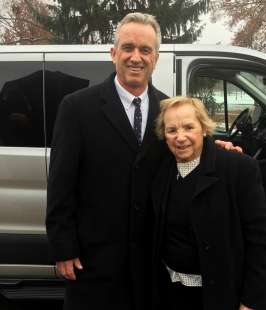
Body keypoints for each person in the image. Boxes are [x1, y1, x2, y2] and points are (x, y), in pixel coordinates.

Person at [46, 12, 241, 310]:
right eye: (128, 48)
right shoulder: (77, 108)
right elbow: (60, 183)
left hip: (151, 260)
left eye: (145, 50)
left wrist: (218, 149)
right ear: (113, 53)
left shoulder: (167, 110)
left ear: (156, 58)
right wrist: (63, 247)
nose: (136, 57)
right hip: (94, 258)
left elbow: (187, 144)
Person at [152, 96, 266, 310]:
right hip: (168, 293)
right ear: (164, 135)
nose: (180, 137)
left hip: (219, 295)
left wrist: (252, 302)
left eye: (189, 127)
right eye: (172, 130)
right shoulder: (161, 170)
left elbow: (261, 243)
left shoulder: (238, 168)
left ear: (204, 128)